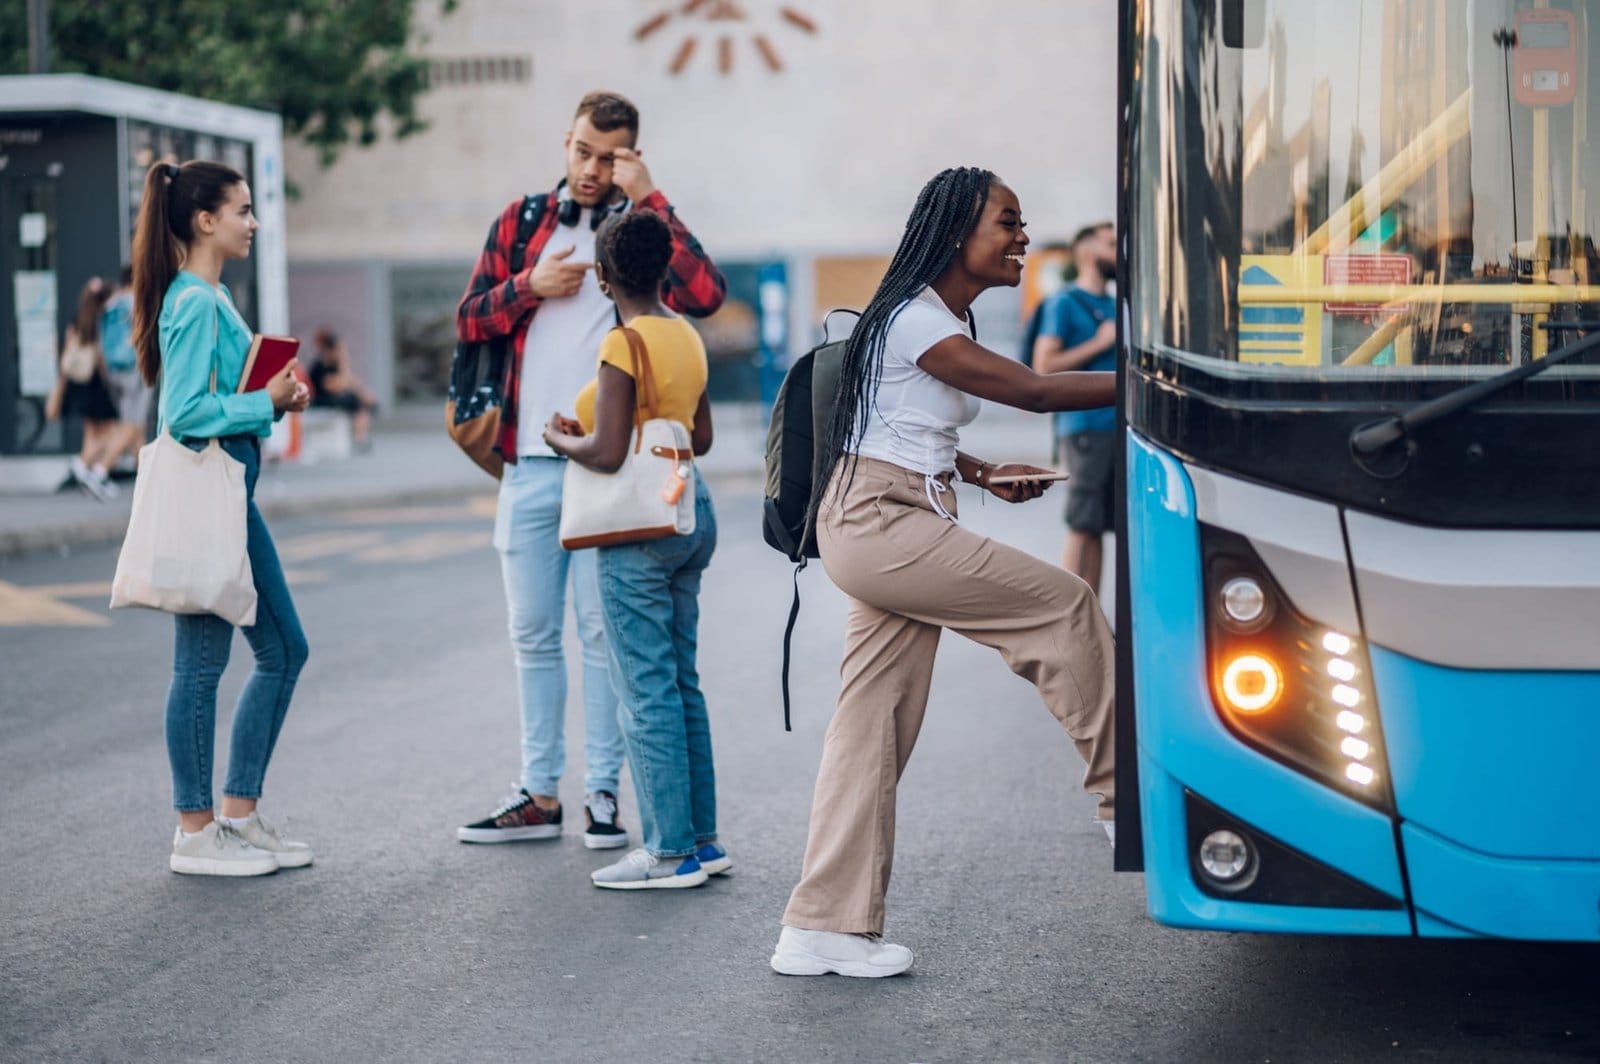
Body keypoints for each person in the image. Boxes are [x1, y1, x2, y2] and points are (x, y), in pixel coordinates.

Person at [770, 168, 1117, 978]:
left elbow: (892, 426)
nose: (1022, 237)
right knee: (1063, 606)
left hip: (894, 513)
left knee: (870, 728)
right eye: (1008, 222)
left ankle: (821, 926)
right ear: (958, 230)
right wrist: (1167, 382)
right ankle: (1127, 802)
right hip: (880, 524)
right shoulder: (913, 318)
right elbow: (1033, 390)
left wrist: (983, 469)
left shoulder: (924, 319)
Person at [454, 91, 725, 850]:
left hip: (612, 465)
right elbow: (468, 317)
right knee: (532, 634)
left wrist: (651, 197)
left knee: (604, 635)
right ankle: (540, 793)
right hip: (529, 463)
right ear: (565, 142)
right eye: (583, 151)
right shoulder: (520, 224)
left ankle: (603, 797)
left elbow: (706, 295)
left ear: (631, 155)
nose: (592, 169)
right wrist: (526, 289)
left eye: (610, 157)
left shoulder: (636, 234)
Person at [131, 159, 314, 876]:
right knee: (203, 665)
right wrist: (265, 402)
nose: (252, 222)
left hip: (230, 495)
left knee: (284, 650)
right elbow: (182, 414)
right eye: (242, 210)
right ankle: (194, 831)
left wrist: (274, 395)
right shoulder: (195, 302)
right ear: (205, 219)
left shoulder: (207, 294)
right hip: (210, 498)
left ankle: (236, 815)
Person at [543, 209, 728, 890]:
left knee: (644, 689)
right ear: (663, 269)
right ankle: (703, 841)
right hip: (689, 510)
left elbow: (607, 449)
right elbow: (698, 436)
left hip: (638, 529)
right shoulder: (685, 335)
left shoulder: (622, 345)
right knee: (681, 681)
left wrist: (559, 439)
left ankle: (668, 852)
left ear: (601, 276)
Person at [1032, 222, 1117, 592]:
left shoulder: (1115, 304)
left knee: (1097, 526)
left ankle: (1091, 618)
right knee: (1082, 525)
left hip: (1117, 428)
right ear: (1087, 253)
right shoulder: (1063, 303)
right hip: (1083, 428)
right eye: (1112, 244)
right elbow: (1044, 366)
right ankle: (1071, 619)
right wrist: (1099, 344)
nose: (1120, 251)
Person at [50, 278, 121, 500]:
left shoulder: (78, 320)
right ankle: (82, 465)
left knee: (92, 430)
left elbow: (66, 346)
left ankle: (86, 468)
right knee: (110, 428)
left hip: (79, 384)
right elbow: (102, 356)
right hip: (95, 383)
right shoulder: (101, 321)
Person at [101, 265, 154, 473]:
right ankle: (100, 470)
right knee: (133, 423)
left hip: (115, 370)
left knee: (133, 423)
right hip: (136, 369)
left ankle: (144, 472)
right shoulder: (135, 303)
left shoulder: (110, 305)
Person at [306, 328, 378, 450]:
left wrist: (364, 393)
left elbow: (351, 381)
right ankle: (359, 438)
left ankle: (360, 437)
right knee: (355, 401)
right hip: (319, 401)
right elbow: (336, 387)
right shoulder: (319, 366)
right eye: (339, 350)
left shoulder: (334, 366)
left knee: (360, 402)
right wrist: (344, 363)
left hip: (333, 399)